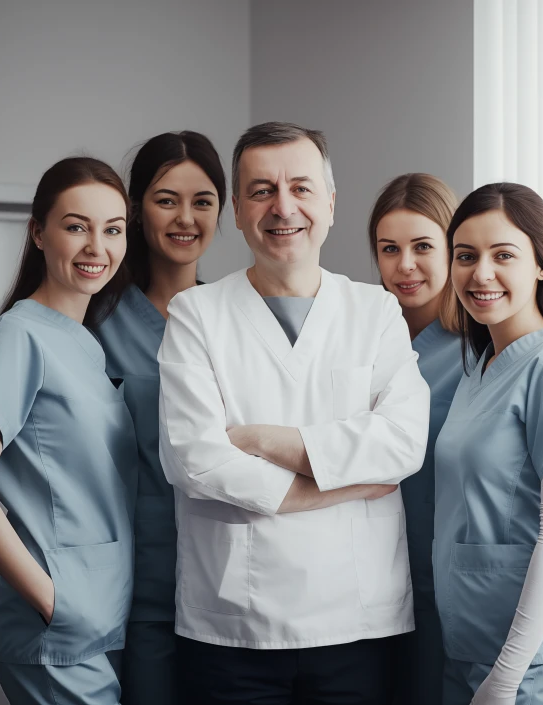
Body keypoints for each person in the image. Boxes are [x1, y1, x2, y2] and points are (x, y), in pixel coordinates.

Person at [157, 121, 430, 705]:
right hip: (232, 627)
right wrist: (344, 486)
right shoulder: (196, 315)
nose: (283, 207)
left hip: (358, 621)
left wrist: (258, 438)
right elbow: (195, 462)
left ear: (330, 204)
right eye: (261, 190)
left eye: (302, 188)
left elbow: (403, 444)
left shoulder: (375, 311)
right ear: (237, 209)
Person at [0, 157, 138, 705]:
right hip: (60, 628)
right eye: (76, 226)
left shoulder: (87, 344)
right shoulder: (19, 335)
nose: (96, 247)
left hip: (105, 619)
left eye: (113, 230)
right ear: (37, 231)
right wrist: (54, 601)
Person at [434, 183, 543, 705]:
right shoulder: (478, 367)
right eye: (465, 256)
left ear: (541, 265)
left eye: (503, 255)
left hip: (530, 663)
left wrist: (507, 677)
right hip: (469, 646)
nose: (480, 273)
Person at [96, 131, 226, 704]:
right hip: (131, 587)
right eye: (166, 198)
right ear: (135, 208)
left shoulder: (236, 317)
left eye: (203, 201)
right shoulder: (96, 320)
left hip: (226, 584)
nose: (185, 218)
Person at [368, 173, 462, 704]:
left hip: (444, 585)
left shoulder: (478, 349)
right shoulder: (362, 343)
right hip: (369, 584)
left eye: (423, 246)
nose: (405, 265)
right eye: (389, 249)